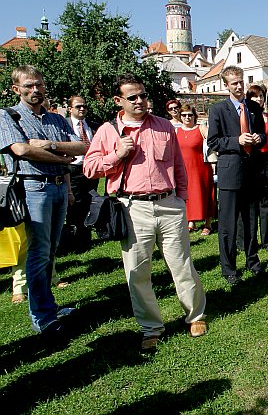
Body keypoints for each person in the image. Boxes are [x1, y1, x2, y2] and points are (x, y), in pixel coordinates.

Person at [84, 74, 207, 350]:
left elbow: (178, 167)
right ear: (119, 101)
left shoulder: (164, 126)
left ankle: (195, 315)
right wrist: (116, 155)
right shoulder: (108, 131)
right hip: (132, 207)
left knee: (181, 264)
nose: (140, 101)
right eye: (132, 97)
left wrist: (181, 200)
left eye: (142, 95)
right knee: (138, 271)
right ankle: (151, 326)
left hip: (169, 204)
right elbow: (89, 168)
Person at [0, 65, 86, 338]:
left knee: (50, 252)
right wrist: (61, 157)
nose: (35, 90)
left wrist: (47, 144)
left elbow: (82, 147)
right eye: (28, 86)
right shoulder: (9, 116)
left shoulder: (56, 119)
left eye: (38, 84)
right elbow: (21, 150)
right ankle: (43, 317)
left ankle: (49, 307)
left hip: (59, 187)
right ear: (17, 89)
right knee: (38, 253)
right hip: (33, 188)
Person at [207, 65, 267, 285]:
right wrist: (236, 141)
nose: (239, 86)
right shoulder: (218, 110)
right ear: (226, 86)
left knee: (251, 221)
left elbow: (262, 133)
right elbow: (213, 142)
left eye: (241, 82)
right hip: (230, 173)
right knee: (228, 224)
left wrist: (258, 138)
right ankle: (229, 267)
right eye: (234, 83)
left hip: (252, 171)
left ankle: (252, 260)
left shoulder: (253, 107)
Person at [63, 95, 100, 251]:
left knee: (90, 201)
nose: (82, 109)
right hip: (72, 169)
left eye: (84, 106)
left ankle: (86, 235)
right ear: (70, 109)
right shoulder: (64, 125)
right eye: (78, 106)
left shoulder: (94, 126)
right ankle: (74, 237)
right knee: (74, 203)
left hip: (90, 170)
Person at [246, 84, 268, 252]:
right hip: (249, 160)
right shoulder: (244, 116)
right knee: (250, 204)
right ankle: (248, 241)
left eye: (261, 96)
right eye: (254, 96)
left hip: (265, 159)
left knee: (265, 202)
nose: (258, 99)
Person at [176, 103, 215, 236]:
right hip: (184, 169)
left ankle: (208, 224)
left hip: (201, 167)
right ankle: (190, 222)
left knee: (205, 193)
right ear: (180, 116)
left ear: (194, 116)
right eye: (184, 115)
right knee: (188, 195)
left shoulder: (201, 128)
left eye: (190, 115)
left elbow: (213, 141)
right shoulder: (177, 131)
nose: (187, 117)